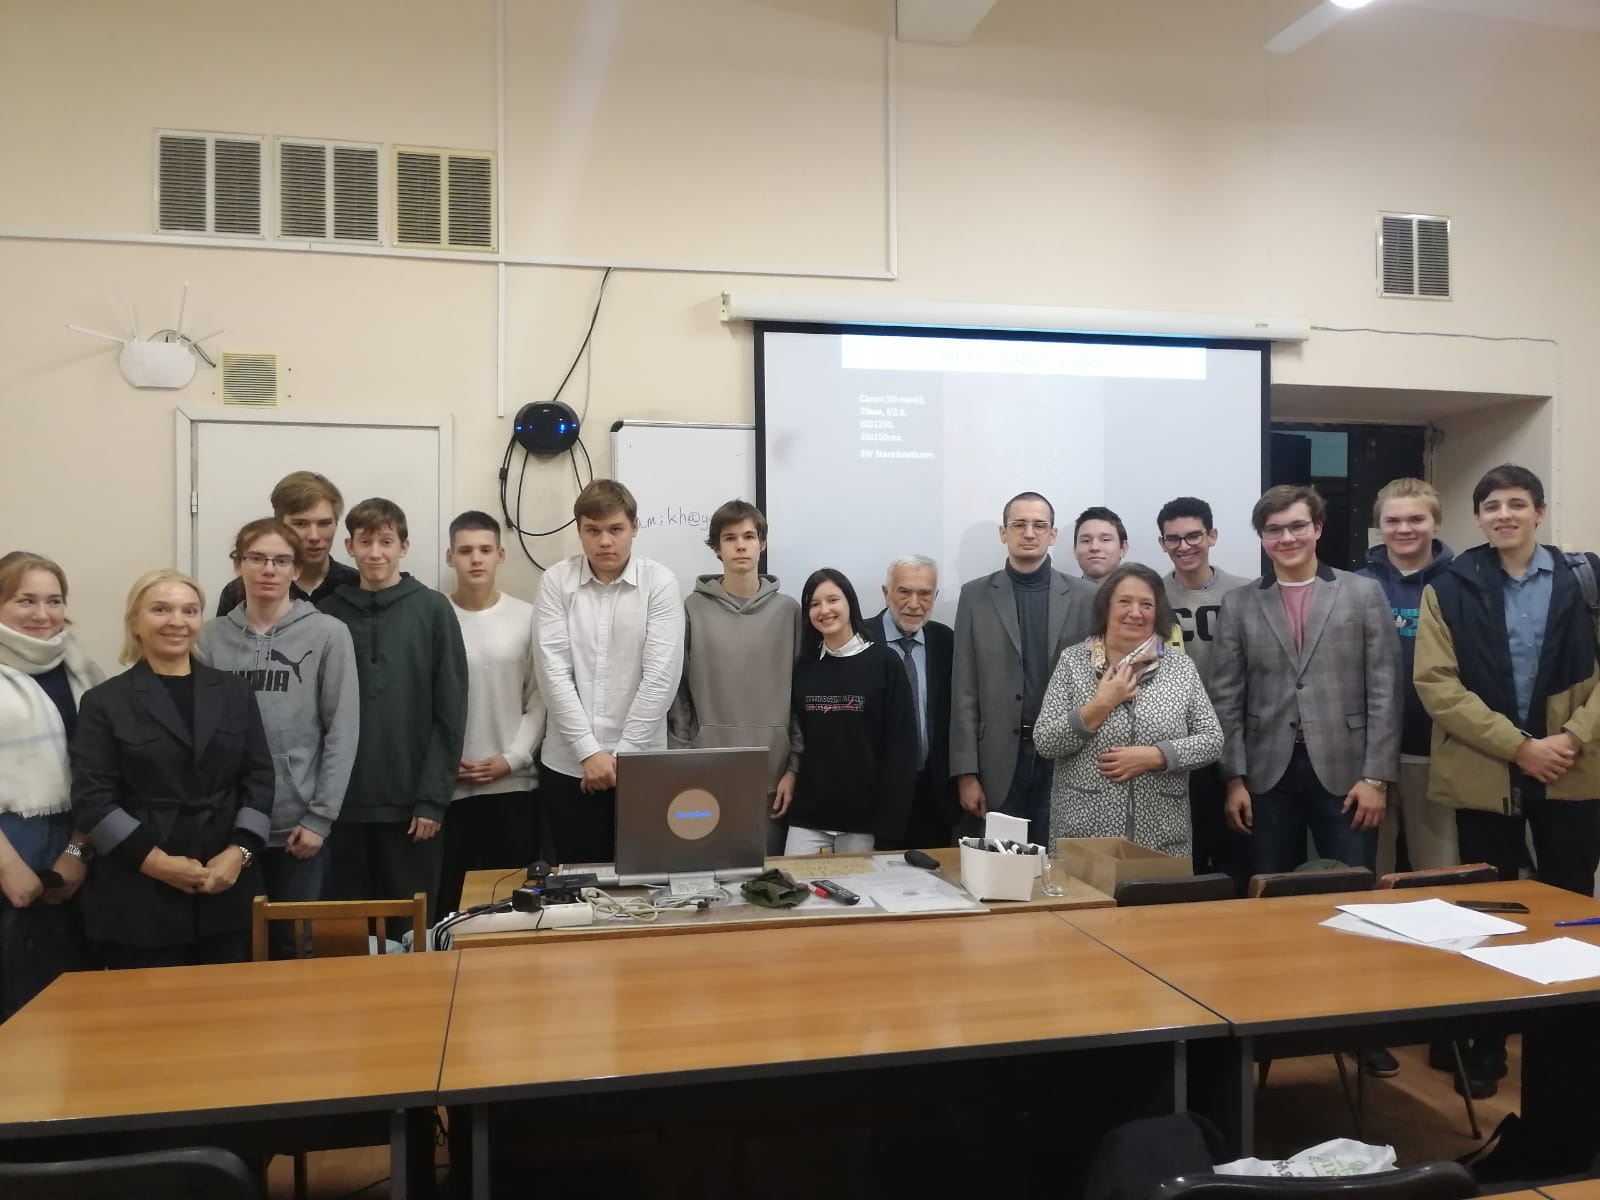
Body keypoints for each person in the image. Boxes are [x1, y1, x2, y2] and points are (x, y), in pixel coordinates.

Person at [1415, 464, 1600, 1098]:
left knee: (1570, 907)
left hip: (1574, 769)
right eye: (1492, 506)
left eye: (1517, 504)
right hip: (1486, 770)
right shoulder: (1450, 585)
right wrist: (1520, 747)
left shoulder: (1586, 577)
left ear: (1539, 512)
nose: (1504, 515)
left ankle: (1567, 1047)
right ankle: (1487, 1044)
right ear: (1478, 517)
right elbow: (1436, 685)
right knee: (1489, 910)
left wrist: (1569, 739)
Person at [70, 570, 273, 967]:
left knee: (229, 1001)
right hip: (138, 890)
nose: (177, 621)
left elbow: (260, 780)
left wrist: (241, 852)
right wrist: (156, 863)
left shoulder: (235, 693)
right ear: (135, 621)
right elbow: (93, 799)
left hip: (226, 885)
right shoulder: (104, 702)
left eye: (189, 610)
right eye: (161, 610)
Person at [1210, 485, 1400, 877]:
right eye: (1274, 530)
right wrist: (1233, 779)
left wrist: (1376, 778)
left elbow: (1386, 691)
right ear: (1262, 538)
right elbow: (1226, 698)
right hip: (1265, 774)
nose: (1287, 538)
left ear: (1317, 528)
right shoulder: (1239, 602)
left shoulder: (1363, 593)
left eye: (1297, 526)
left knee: (1350, 884)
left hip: (1348, 771)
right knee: (1268, 888)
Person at [196, 519, 359, 956]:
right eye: (257, 558)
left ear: (295, 570)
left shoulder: (328, 634)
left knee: (294, 947)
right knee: (233, 948)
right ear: (238, 565)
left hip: (297, 828)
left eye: (281, 561)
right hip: (227, 827)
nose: (268, 569)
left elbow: (342, 731)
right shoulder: (208, 639)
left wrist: (320, 818)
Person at [318, 498, 467, 929]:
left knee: (410, 932)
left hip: (412, 808)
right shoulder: (327, 613)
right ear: (349, 546)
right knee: (346, 934)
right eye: (365, 542)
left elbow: (451, 711)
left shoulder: (433, 609)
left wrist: (432, 799)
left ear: (404, 546)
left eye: (386, 542)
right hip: (341, 808)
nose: (375, 553)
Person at [535, 480, 684, 866]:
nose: (604, 541)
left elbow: (661, 677)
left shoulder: (659, 583)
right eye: (593, 530)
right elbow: (553, 673)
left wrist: (624, 758)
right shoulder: (556, 582)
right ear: (579, 531)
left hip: (642, 765)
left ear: (634, 528)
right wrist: (589, 752)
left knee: (645, 879)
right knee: (578, 883)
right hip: (569, 765)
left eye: (615, 529)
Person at [1034, 564, 1222, 855]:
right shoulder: (1073, 661)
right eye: (1124, 601)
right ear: (1106, 607)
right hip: (1085, 836)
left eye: (1146, 604)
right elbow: (1046, 741)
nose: (1136, 612)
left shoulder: (1180, 667)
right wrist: (1101, 704)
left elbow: (1212, 741)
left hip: (1161, 837)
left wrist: (1157, 756)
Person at [951, 492, 1097, 844]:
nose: (1029, 533)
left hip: (1065, 756)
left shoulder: (1085, 597)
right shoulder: (974, 596)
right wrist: (966, 773)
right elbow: (964, 689)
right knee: (1002, 864)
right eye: (1019, 525)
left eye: (1039, 525)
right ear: (1004, 533)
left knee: (1060, 863)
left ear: (1053, 534)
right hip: (998, 760)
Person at [0, 553, 102, 1014]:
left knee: (66, 1004)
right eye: (26, 600)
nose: (42, 614)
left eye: (54, 601)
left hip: (72, 845)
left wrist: (77, 851)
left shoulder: (81, 670)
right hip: (8, 845)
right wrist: (7, 867)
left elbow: (98, 773)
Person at [669, 500, 800, 856]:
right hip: (705, 768)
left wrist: (794, 766)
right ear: (717, 548)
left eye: (748, 536)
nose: (740, 546)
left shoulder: (789, 611)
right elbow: (678, 693)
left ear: (763, 543)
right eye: (730, 538)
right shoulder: (691, 608)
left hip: (773, 776)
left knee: (767, 875)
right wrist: (682, 756)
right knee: (707, 868)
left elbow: (801, 697)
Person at [438, 511, 545, 915]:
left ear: (500, 555)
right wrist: (442, 764)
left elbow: (539, 698)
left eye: (485, 550)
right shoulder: (435, 616)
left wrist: (513, 758)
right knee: (452, 903)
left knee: (512, 903)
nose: (475, 559)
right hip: (450, 789)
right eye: (465, 550)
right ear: (450, 556)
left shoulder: (527, 617)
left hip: (513, 786)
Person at [774, 569, 918, 854]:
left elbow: (901, 750)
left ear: (850, 602)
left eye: (832, 600)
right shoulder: (803, 668)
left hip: (864, 822)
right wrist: (790, 773)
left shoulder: (885, 663)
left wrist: (889, 828)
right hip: (808, 818)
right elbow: (798, 737)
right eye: (814, 604)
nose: (824, 610)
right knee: (794, 882)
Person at [1356, 479, 1457, 876]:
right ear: (1379, 526)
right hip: (1365, 756)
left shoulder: (1460, 582)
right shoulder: (1354, 586)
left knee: (1439, 871)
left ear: (1436, 522)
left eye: (1416, 519)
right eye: (1392, 520)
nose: (1404, 529)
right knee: (1370, 874)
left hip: (1435, 751)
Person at [1157, 496, 1251, 884]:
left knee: (1238, 852)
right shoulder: (1153, 597)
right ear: (1162, 543)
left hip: (1238, 739)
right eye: (1173, 539)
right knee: (1184, 858)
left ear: (1212, 536)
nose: (1184, 546)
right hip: (1177, 744)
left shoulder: (1245, 592)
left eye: (1193, 536)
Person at [862, 555, 955, 848]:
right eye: (904, 592)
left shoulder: (946, 641)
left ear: (935, 596)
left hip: (934, 799)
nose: (914, 604)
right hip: (875, 797)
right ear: (886, 592)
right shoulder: (859, 640)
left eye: (924, 593)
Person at [214, 471, 359, 615]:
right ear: (279, 524)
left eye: (324, 523)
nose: (314, 536)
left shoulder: (356, 584)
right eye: (300, 524)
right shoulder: (240, 591)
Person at [1073, 507, 1130, 583]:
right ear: (1075, 550)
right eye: (1086, 541)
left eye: (1105, 540)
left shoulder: (1141, 590)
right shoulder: (1059, 590)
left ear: (1123, 548)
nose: (1094, 547)